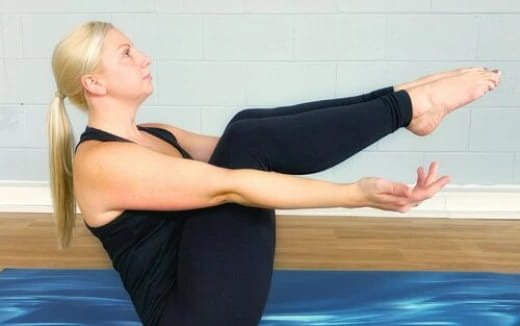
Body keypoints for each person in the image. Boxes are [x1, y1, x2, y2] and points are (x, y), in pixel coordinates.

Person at [46, 21, 501, 326]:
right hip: (192, 316)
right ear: (94, 83)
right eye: (127, 54)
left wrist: (399, 93)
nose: (144, 57)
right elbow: (233, 182)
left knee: (243, 128)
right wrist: (354, 194)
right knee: (245, 142)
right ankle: (406, 108)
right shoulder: (100, 162)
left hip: (209, 291)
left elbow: (270, 142)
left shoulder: (156, 132)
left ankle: (407, 103)